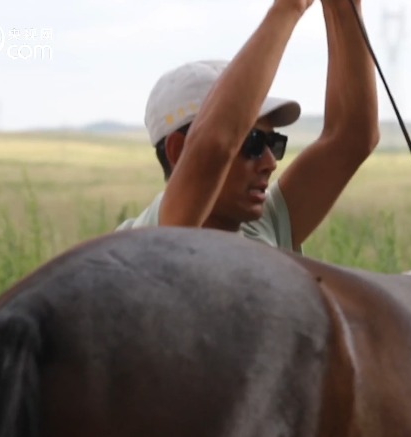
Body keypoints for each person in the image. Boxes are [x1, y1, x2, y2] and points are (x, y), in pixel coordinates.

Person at [116, 0, 379, 253]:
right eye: (252, 142)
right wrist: (289, 7)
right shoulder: (144, 240)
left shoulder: (264, 224)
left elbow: (351, 138)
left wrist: (344, 8)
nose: (270, 162)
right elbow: (214, 145)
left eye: (273, 143)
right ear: (178, 150)